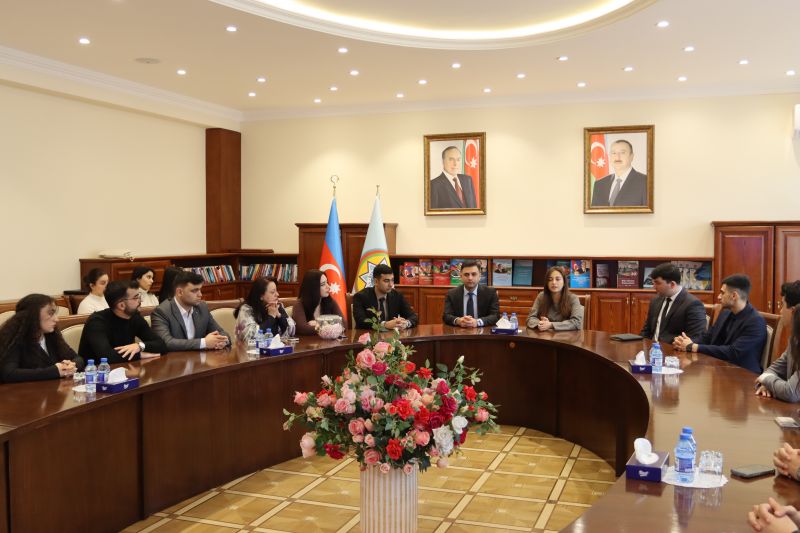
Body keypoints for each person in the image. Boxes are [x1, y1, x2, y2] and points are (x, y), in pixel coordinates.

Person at [673, 274, 767, 374]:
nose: (719, 297)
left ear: (734, 296)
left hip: (744, 375)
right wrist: (686, 342)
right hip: (720, 368)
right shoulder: (725, 313)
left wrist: (694, 347)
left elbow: (734, 352)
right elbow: (707, 337)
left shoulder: (755, 321)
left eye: (722, 293)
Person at [0, 294, 83, 383]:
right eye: (50, 313)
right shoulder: (14, 338)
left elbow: (78, 358)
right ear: (33, 316)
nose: (56, 319)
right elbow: (9, 374)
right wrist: (54, 371)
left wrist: (71, 366)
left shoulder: (52, 334)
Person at [78, 280, 166, 363]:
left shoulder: (135, 317)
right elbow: (107, 356)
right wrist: (141, 355)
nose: (141, 300)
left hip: (126, 368)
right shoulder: (96, 322)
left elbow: (161, 344)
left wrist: (139, 346)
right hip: (96, 372)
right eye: (136, 298)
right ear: (121, 305)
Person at [151, 271, 230, 351]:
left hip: (201, 357)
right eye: (194, 291)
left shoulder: (202, 307)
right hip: (175, 358)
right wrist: (204, 343)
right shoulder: (162, 312)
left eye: (200, 290)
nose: (200, 295)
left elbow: (221, 332)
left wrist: (222, 341)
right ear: (179, 292)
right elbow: (165, 343)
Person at [640, 262, 707, 343]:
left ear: (672, 284)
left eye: (657, 283)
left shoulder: (693, 304)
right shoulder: (655, 301)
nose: (654, 287)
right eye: (653, 283)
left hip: (673, 349)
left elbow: (697, 337)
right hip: (651, 348)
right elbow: (646, 331)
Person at [755, 281, 800, 401]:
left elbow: (790, 392)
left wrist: (766, 380)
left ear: (793, 311)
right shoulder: (794, 339)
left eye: (783, 305)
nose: (780, 311)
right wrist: (767, 383)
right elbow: (774, 369)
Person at [352, 264, 418, 330]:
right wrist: (385, 325)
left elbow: (413, 316)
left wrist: (406, 323)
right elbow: (361, 321)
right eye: (386, 281)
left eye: (392, 280)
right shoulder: (361, 297)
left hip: (391, 335)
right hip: (368, 335)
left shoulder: (397, 296)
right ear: (376, 282)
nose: (391, 285)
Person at [234, 277, 294, 342]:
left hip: (276, 347)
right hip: (250, 348)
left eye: (276, 291)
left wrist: (279, 316)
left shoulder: (277, 306)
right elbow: (250, 336)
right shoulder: (246, 309)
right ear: (261, 296)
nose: (277, 294)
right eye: (272, 292)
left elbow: (291, 331)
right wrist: (271, 317)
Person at [590, 139, 647, 207]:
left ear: (631, 156)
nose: (617, 157)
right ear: (609, 156)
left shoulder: (645, 182)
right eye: (613, 153)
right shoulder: (599, 184)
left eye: (622, 152)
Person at [443, 260, 499, 327]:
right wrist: (458, 321)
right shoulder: (452, 294)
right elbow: (446, 316)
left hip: (483, 331)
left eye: (474, 274)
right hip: (459, 331)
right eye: (466, 274)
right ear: (461, 276)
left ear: (479, 276)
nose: (470, 278)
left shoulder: (490, 293)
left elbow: (495, 316)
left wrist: (477, 322)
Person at [526, 266, 583, 331]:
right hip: (545, 335)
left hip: (566, 336)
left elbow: (577, 322)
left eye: (557, 279)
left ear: (564, 282)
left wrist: (551, 325)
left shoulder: (573, 298)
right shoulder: (541, 296)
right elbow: (530, 318)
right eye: (550, 280)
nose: (553, 282)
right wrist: (540, 324)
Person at [293, 269, 343, 336]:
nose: (328, 287)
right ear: (313, 288)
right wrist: (333, 326)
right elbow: (302, 329)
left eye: (327, 282)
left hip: (328, 341)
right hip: (308, 342)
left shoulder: (330, 301)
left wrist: (319, 323)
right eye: (323, 284)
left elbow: (343, 324)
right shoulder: (299, 304)